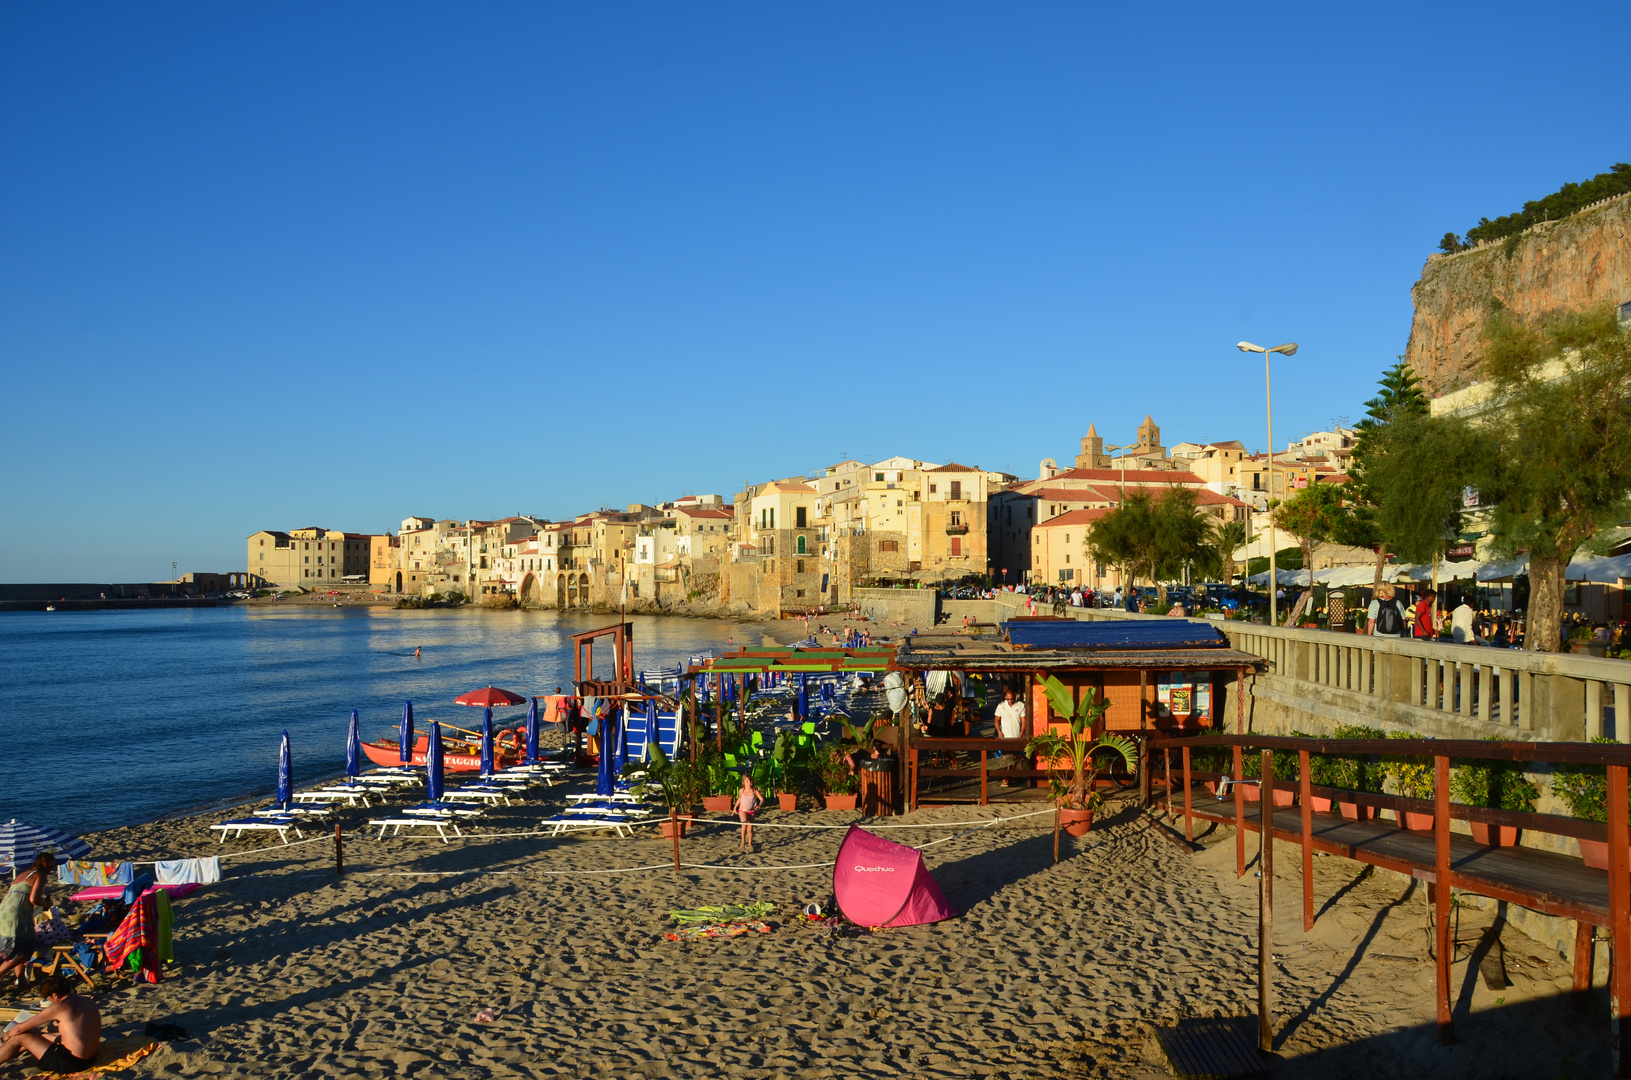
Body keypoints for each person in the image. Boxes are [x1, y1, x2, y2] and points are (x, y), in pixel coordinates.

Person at [0, 974, 101, 1073]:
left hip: (71, 1063)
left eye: (46, 998)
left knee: (20, 1036)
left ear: (54, 995)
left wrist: (7, 1035)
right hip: (91, 1058)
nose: (48, 1001)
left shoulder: (60, 1007)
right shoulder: (87, 1000)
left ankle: (9, 1049)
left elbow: (18, 1029)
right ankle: (13, 1050)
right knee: (44, 1031)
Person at [0, 853, 53, 983]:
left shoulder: (23, 874)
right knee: (22, 950)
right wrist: (46, 904)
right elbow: (34, 899)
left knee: (16, 944)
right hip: (18, 912)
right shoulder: (40, 875)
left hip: (5, 909)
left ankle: (21, 980)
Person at [733, 774, 762, 852]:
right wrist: (735, 808)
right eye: (747, 782)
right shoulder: (741, 791)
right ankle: (743, 842)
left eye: (750, 781)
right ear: (743, 782)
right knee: (744, 823)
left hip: (751, 811)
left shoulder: (755, 791)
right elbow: (739, 799)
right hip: (743, 810)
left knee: (750, 828)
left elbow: (762, 799)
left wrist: (760, 805)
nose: (749, 783)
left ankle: (750, 843)